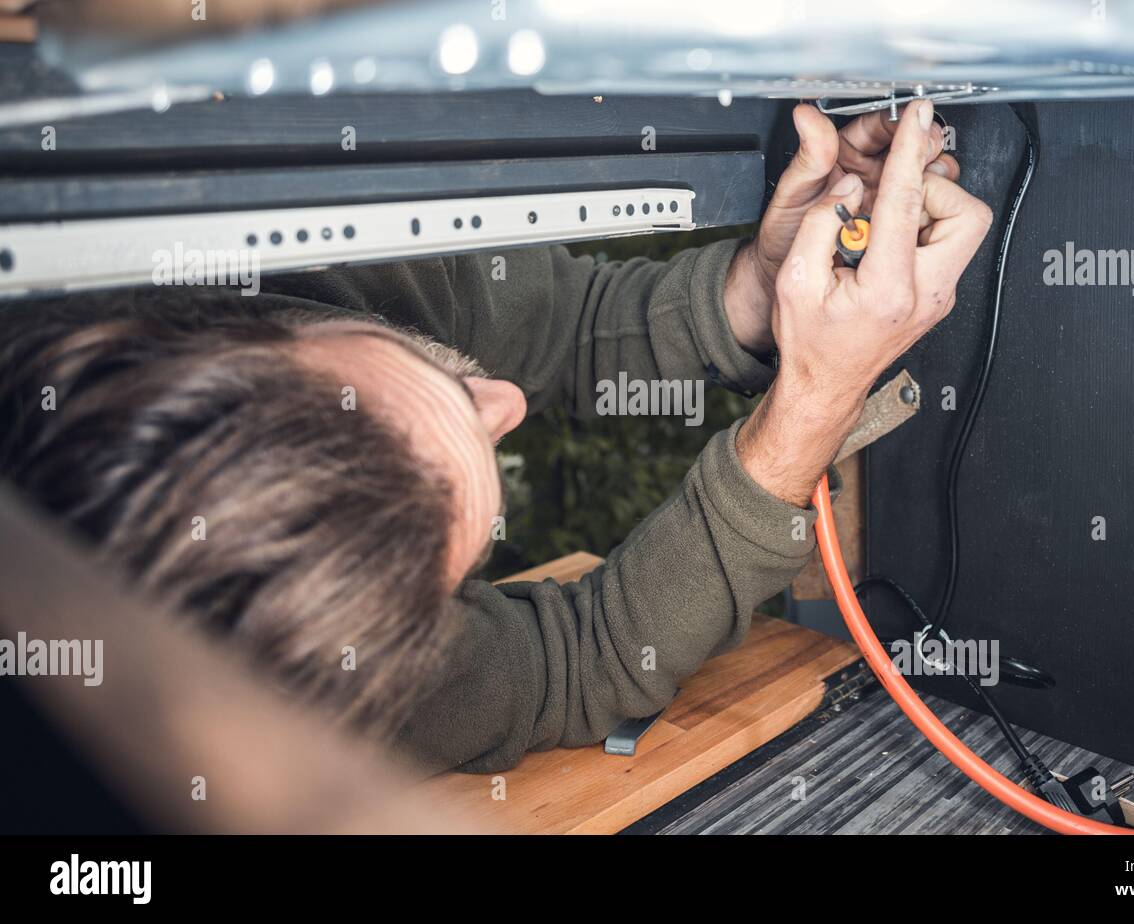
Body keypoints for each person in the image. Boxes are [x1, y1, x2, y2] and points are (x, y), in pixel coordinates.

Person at [0, 99, 990, 771]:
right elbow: (581, 659)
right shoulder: (310, 679)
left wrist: (757, 291)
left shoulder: (325, 248)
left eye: (436, 369)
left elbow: (564, 326)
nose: (509, 400)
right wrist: (806, 414)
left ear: (244, 320)